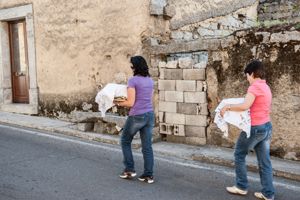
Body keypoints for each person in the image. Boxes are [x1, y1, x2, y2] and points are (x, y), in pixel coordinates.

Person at [220, 60, 275, 200]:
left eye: (247, 76)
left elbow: (245, 106)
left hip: (254, 128)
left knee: (239, 154)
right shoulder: (266, 87)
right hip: (266, 126)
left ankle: (241, 186)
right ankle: (268, 193)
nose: (247, 79)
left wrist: (228, 107)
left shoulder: (254, 87)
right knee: (264, 162)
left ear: (251, 73)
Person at [113, 56, 155, 184]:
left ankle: (129, 170)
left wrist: (117, 102)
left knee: (125, 141)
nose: (131, 68)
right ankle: (148, 175)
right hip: (149, 115)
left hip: (137, 116)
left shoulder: (133, 81)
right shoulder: (150, 80)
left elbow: (130, 102)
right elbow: (148, 98)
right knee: (147, 147)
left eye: (132, 66)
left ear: (135, 67)